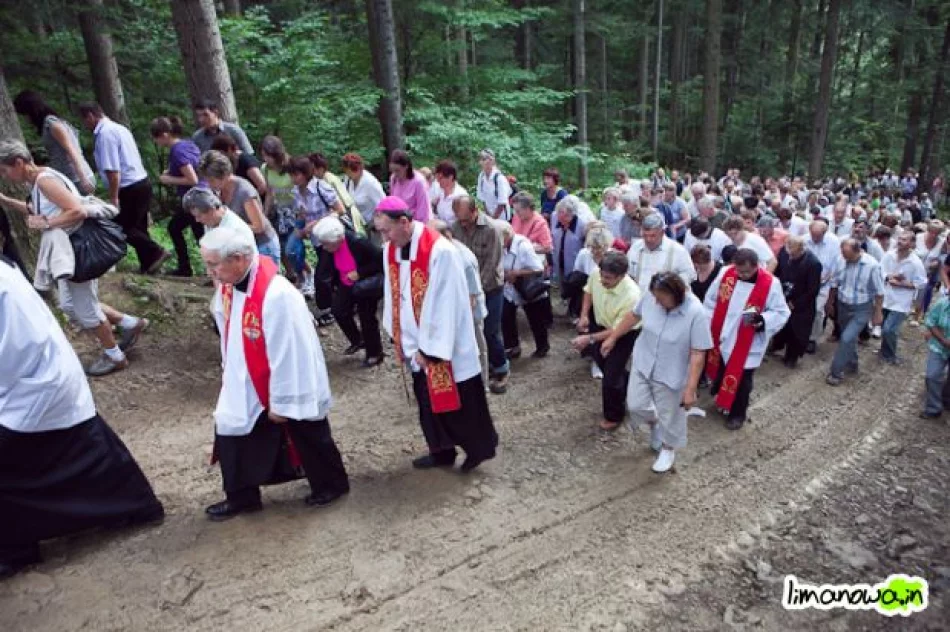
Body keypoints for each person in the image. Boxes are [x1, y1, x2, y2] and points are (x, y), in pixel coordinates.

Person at [0, 256, 164, 579]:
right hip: (33, 383)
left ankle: (13, 549)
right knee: (85, 450)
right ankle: (132, 504)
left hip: (36, 385)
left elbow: (15, 348)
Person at [201, 227, 349, 520]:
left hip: (286, 373)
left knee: (305, 428)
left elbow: (290, 350)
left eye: (214, 264)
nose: (211, 272)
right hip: (243, 370)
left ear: (241, 259)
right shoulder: (231, 284)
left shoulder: (277, 294)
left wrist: (281, 399)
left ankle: (331, 484)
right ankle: (241, 495)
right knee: (231, 426)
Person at [0, 140, 149, 377]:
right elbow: (41, 210)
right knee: (69, 305)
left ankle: (115, 356)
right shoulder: (40, 181)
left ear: (19, 163)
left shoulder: (44, 181)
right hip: (71, 251)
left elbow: (76, 211)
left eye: (4, 170)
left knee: (85, 308)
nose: (4, 176)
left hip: (77, 250)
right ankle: (130, 323)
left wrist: (46, 224)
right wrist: (6, 201)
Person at [377, 196, 500, 472]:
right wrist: (397, 331)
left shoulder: (440, 251)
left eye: (386, 230)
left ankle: (478, 451)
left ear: (405, 222)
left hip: (445, 347)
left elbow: (447, 303)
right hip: (414, 342)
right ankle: (440, 451)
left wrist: (429, 350)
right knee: (427, 404)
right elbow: (394, 293)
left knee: (460, 404)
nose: (383, 237)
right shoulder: (391, 250)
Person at [605, 271, 712, 472]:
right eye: (655, 297)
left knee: (672, 415)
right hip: (644, 361)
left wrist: (690, 389)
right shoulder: (651, 296)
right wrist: (613, 337)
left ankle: (668, 448)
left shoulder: (696, 313)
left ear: (677, 295)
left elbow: (698, 352)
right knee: (635, 405)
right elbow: (633, 315)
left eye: (662, 299)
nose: (657, 302)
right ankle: (655, 423)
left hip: (672, 371)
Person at [79, 102, 171, 274]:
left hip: (129, 187)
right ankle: (149, 265)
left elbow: (113, 171)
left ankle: (155, 251)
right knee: (139, 227)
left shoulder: (105, 134)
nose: (86, 125)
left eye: (85, 121)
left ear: (91, 116)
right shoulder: (120, 128)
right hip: (141, 182)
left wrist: (114, 198)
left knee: (121, 226)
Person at [704, 249, 790, 429]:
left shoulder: (770, 283)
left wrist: (763, 320)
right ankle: (722, 398)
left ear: (756, 266)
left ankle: (737, 414)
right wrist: (712, 321)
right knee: (723, 367)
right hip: (724, 333)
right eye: (739, 271)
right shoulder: (726, 274)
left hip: (748, 336)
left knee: (743, 380)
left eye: (746, 272)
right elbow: (711, 299)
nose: (741, 276)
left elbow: (782, 312)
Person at [572, 251, 643, 431]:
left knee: (610, 379)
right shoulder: (598, 274)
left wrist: (589, 338)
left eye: (609, 278)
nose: (603, 280)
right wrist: (584, 315)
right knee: (606, 365)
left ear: (621, 276)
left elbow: (618, 329)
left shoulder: (632, 295)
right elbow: (588, 291)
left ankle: (614, 415)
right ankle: (625, 383)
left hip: (624, 333)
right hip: (600, 324)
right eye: (602, 275)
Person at [453, 195, 510, 394]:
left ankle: (502, 369)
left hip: (491, 286)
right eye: (460, 220)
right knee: (473, 332)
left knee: (490, 331)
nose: (463, 224)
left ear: (474, 211)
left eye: (466, 220)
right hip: (468, 289)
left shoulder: (491, 229)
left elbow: (491, 264)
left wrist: (476, 291)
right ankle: (480, 369)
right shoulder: (455, 229)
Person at [313, 216, 385, 367]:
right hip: (346, 283)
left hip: (365, 284)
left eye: (327, 244)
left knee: (367, 318)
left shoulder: (358, 242)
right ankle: (358, 340)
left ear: (338, 239)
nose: (324, 247)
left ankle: (375, 353)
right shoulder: (329, 248)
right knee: (338, 311)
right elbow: (323, 271)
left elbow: (379, 261)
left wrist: (360, 272)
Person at [431, 219, 489, 384]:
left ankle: (481, 384)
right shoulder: (445, 252)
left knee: (477, 349)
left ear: (446, 236)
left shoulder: (463, 259)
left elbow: (471, 297)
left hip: (470, 315)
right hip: (454, 312)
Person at [199, 150, 281, 266]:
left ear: (224, 175)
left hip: (263, 247)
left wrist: (227, 227)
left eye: (211, 180)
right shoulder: (218, 192)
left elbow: (259, 227)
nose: (209, 184)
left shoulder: (244, 192)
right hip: (242, 249)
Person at [825, 239, 885, 386]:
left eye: (847, 254)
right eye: (843, 253)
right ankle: (852, 363)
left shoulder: (872, 265)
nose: (844, 257)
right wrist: (830, 302)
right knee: (848, 337)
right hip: (843, 304)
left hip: (862, 307)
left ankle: (835, 372)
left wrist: (878, 313)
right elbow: (834, 283)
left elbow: (879, 292)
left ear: (857, 251)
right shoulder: (841, 260)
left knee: (846, 338)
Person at [12, 90, 96, 193]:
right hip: (68, 178)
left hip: (76, 179)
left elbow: (71, 151)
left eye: (25, 115)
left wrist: (83, 178)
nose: (26, 119)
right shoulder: (51, 124)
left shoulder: (52, 124)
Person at [151, 116, 202, 277]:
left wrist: (168, 179)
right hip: (200, 196)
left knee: (176, 228)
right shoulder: (187, 144)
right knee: (199, 234)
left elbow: (192, 179)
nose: (156, 142)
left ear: (165, 135)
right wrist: (172, 171)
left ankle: (185, 268)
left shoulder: (177, 150)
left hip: (195, 198)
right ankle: (198, 268)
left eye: (156, 138)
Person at [500, 222, 550, 359]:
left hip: (528, 287)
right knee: (506, 315)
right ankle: (512, 347)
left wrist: (517, 273)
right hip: (511, 288)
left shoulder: (523, 246)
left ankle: (542, 347)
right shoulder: (502, 246)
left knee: (535, 319)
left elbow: (538, 268)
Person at [773, 236, 822, 368]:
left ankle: (791, 357)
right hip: (784, 295)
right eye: (789, 254)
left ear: (801, 250)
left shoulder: (813, 264)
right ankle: (777, 346)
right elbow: (777, 273)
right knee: (782, 326)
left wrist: (795, 303)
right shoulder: (784, 253)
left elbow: (812, 290)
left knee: (796, 331)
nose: (790, 257)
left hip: (801, 302)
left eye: (793, 255)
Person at [879, 231, 927, 364]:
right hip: (886, 296)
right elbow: (880, 270)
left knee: (890, 329)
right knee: (884, 327)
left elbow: (922, 282)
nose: (900, 241)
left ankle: (890, 355)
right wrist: (889, 277)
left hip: (901, 301)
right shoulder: (889, 255)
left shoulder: (915, 262)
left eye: (904, 240)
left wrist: (904, 284)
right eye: (899, 239)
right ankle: (884, 352)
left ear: (911, 244)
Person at [260, 136, 300, 279]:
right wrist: (264, 214)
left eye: (268, 156)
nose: (266, 159)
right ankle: (291, 273)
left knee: (292, 247)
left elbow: (300, 189)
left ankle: (305, 272)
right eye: (264, 155)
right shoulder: (265, 169)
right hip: (278, 211)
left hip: (294, 210)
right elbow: (270, 193)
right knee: (280, 245)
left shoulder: (291, 165)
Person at [626, 213, 696, 288]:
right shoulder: (636, 247)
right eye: (645, 235)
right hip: (639, 296)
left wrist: (672, 284)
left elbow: (690, 274)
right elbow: (628, 273)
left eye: (653, 236)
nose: (648, 239)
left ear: (662, 232)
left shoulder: (678, 250)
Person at [804, 220, 842, 353]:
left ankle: (812, 338)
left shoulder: (834, 243)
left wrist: (828, 278)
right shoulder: (804, 240)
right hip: (805, 282)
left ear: (824, 233)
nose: (814, 238)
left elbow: (836, 265)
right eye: (812, 235)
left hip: (823, 283)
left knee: (818, 311)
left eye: (818, 236)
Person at [309, 152, 366, 236]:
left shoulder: (328, 180)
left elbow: (343, 204)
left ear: (320, 168)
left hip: (348, 216)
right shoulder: (323, 180)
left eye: (313, 169)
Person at [921, 256, 950, 419]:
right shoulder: (943, 304)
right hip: (939, 345)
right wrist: (942, 340)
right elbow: (930, 321)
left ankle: (946, 398)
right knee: (932, 375)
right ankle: (933, 407)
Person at [182, 187, 256, 248]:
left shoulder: (234, 230)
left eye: (199, 216)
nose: (197, 220)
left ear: (212, 209)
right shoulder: (211, 222)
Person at [342, 152, 385, 232]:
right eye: (347, 172)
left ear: (359, 169)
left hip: (372, 227)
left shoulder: (371, 183)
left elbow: (383, 205)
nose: (348, 174)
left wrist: (376, 223)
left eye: (351, 172)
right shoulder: (347, 180)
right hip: (355, 225)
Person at [389, 149, 430, 222]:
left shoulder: (419, 181)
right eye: (392, 170)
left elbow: (423, 210)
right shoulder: (393, 179)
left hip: (416, 222)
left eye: (397, 170)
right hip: (399, 221)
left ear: (406, 167)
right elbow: (393, 202)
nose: (395, 173)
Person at [476, 149, 513, 221]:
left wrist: (493, 219)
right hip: (488, 216)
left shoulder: (499, 178)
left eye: (484, 159)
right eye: (480, 160)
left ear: (492, 161)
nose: (481, 162)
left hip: (502, 219)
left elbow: (502, 203)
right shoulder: (481, 176)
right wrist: (488, 216)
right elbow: (483, 199)